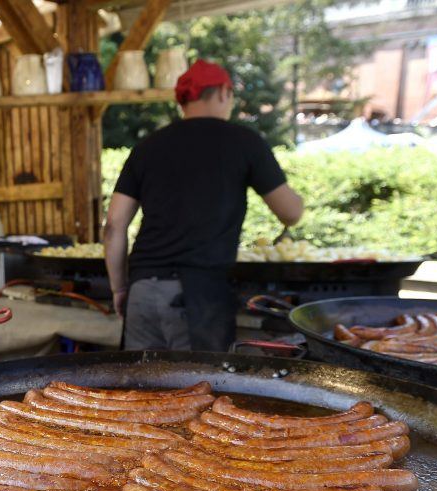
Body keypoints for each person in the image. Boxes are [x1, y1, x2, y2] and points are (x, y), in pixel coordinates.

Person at [103, 59, 304, 352]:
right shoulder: (244, 142)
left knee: (139, 390)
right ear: (224, 92)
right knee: (201, 390)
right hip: (199, 295)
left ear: (183, 102)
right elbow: (291, 212)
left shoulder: (148, 147)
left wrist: (120, 288)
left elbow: (113, 226)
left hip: (142, 290)